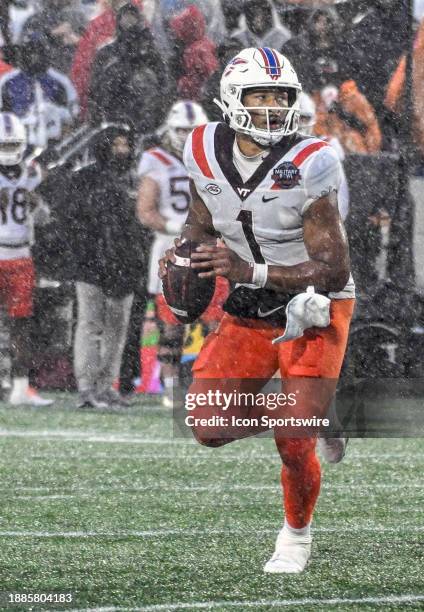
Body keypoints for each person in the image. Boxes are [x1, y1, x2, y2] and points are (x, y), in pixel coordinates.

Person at [160, 47, 355, 573]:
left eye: (280, 97)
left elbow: (333, 271)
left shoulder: (312, 160)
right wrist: (183, 251)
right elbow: (201, 218)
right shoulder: (200, 147)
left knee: (293, 442)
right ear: (231, 99)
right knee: (206, 422)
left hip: (314, 301)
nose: (272, 108)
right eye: (260, 96)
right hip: (252, 300)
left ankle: (295, 537)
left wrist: (249, 272)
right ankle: (316, 412)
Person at [138, 100, 228, 407]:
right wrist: (176, 224)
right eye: (181, 130)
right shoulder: (156, 159)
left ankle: (217, 387)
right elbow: (145, 211)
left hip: (207, 247)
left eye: (192, 129)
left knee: (217, 322)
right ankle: (172, 389)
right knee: (171, 322)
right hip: (170, 247)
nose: (186, 135)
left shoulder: (217, 158)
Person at [59, 124, 141, 408]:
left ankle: (106, 385)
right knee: (90, 325)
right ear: (103, 146)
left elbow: (136, 226)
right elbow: (73, 221)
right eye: (116, 144)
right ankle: (86, 386)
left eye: (125, 144)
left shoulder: (135, 179)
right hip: (91, 261)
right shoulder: (85, 178)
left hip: (124, 262)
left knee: (117, 330)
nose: (122, 150)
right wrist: (90, 253)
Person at [0, 112, 52, 406]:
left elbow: (44, 218)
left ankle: (20, 387)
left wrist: (38, 204)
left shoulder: (31, 172)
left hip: (21, 255)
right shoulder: (31, 172)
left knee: (22, 324)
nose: (8, 151)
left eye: (12, 145)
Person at [88, 2, 164, 134]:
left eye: (133, 17)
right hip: (113, 117)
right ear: (118, 21)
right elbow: (95, 89)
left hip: (144, 119)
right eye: (125, 18)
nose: (129, 22)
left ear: (139, 20)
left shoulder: (151, 53)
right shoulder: (107, 53)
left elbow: (163, 85)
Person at [0, 30, 79, 150]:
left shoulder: (60, 81)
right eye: (29, 51)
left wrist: (54, 115)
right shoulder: (8, 81)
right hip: (17, 144)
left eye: (38, 51)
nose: (33, 57)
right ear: (22, 52)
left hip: (52, 145)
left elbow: (73, 114)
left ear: (45, 53)